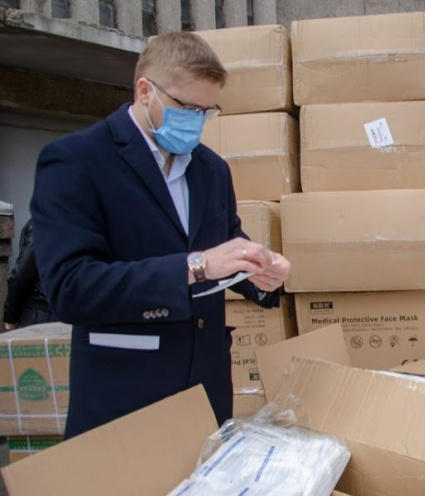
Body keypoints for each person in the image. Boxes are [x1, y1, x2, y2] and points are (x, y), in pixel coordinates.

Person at [31, 32, 290, 439]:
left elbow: (226, 247)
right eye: (186, 107)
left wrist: (261, 275)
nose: (196, 121)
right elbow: (71, 288)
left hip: (206, 393)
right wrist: (197, 266)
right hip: (126, 396)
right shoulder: (78, 161)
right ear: (144, 90)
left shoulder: (211, 170)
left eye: (207, 111)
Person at [3, 219, 57, 330]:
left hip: (39, 313)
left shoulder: (43, 221)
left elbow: (22, 274)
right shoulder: (77, 222)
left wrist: (11, 316)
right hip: (68, 311)